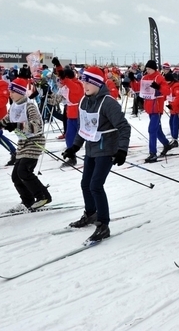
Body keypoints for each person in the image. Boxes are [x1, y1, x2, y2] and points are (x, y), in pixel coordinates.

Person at [62, 66, 131, 243]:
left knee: (95, 185)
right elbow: (83, 128)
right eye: (83, 80)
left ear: (96, 83)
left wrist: (122, 150)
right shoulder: (85, 101)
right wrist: (74, 147)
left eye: (87, 81)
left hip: (106, 149)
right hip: (91, 149)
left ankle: (103, 225)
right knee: (85, 183)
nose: (83, 84)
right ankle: (91, 214)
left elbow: (124, 127)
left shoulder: (108, 102)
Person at [0, 78, 52, 211]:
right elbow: (6, 120)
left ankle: (43, 196)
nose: (9, 94)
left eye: (12, 91)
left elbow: (37, 126)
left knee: (24, 171)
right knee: (16, 176)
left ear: (20, 92)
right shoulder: (13, 106)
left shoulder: (29, 106)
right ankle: (27, 201)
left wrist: (17, 125)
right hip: (22, 143)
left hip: (35, 142)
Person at [140, 60, 170, 163]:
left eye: (149, 69)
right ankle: (166, 144)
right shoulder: (145, 77)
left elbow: (167, 91)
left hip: (157, 107)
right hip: (149, 107)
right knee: (157, 130)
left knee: (152, 129)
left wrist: (159, 87)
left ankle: (153, 153)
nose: (147, 71)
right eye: (146, 69)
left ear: (154, 69)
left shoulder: (159, 77)